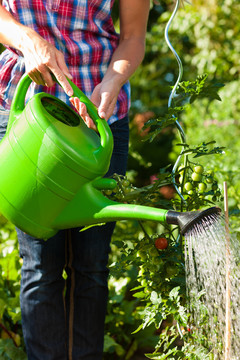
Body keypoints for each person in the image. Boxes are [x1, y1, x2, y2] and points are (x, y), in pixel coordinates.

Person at [0, 0, 150, 359]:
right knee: (40, 264)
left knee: (92, 264)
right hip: (27, 114)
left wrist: (114, 80)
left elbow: (133, 36)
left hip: (99, 121)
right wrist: (27, 39)